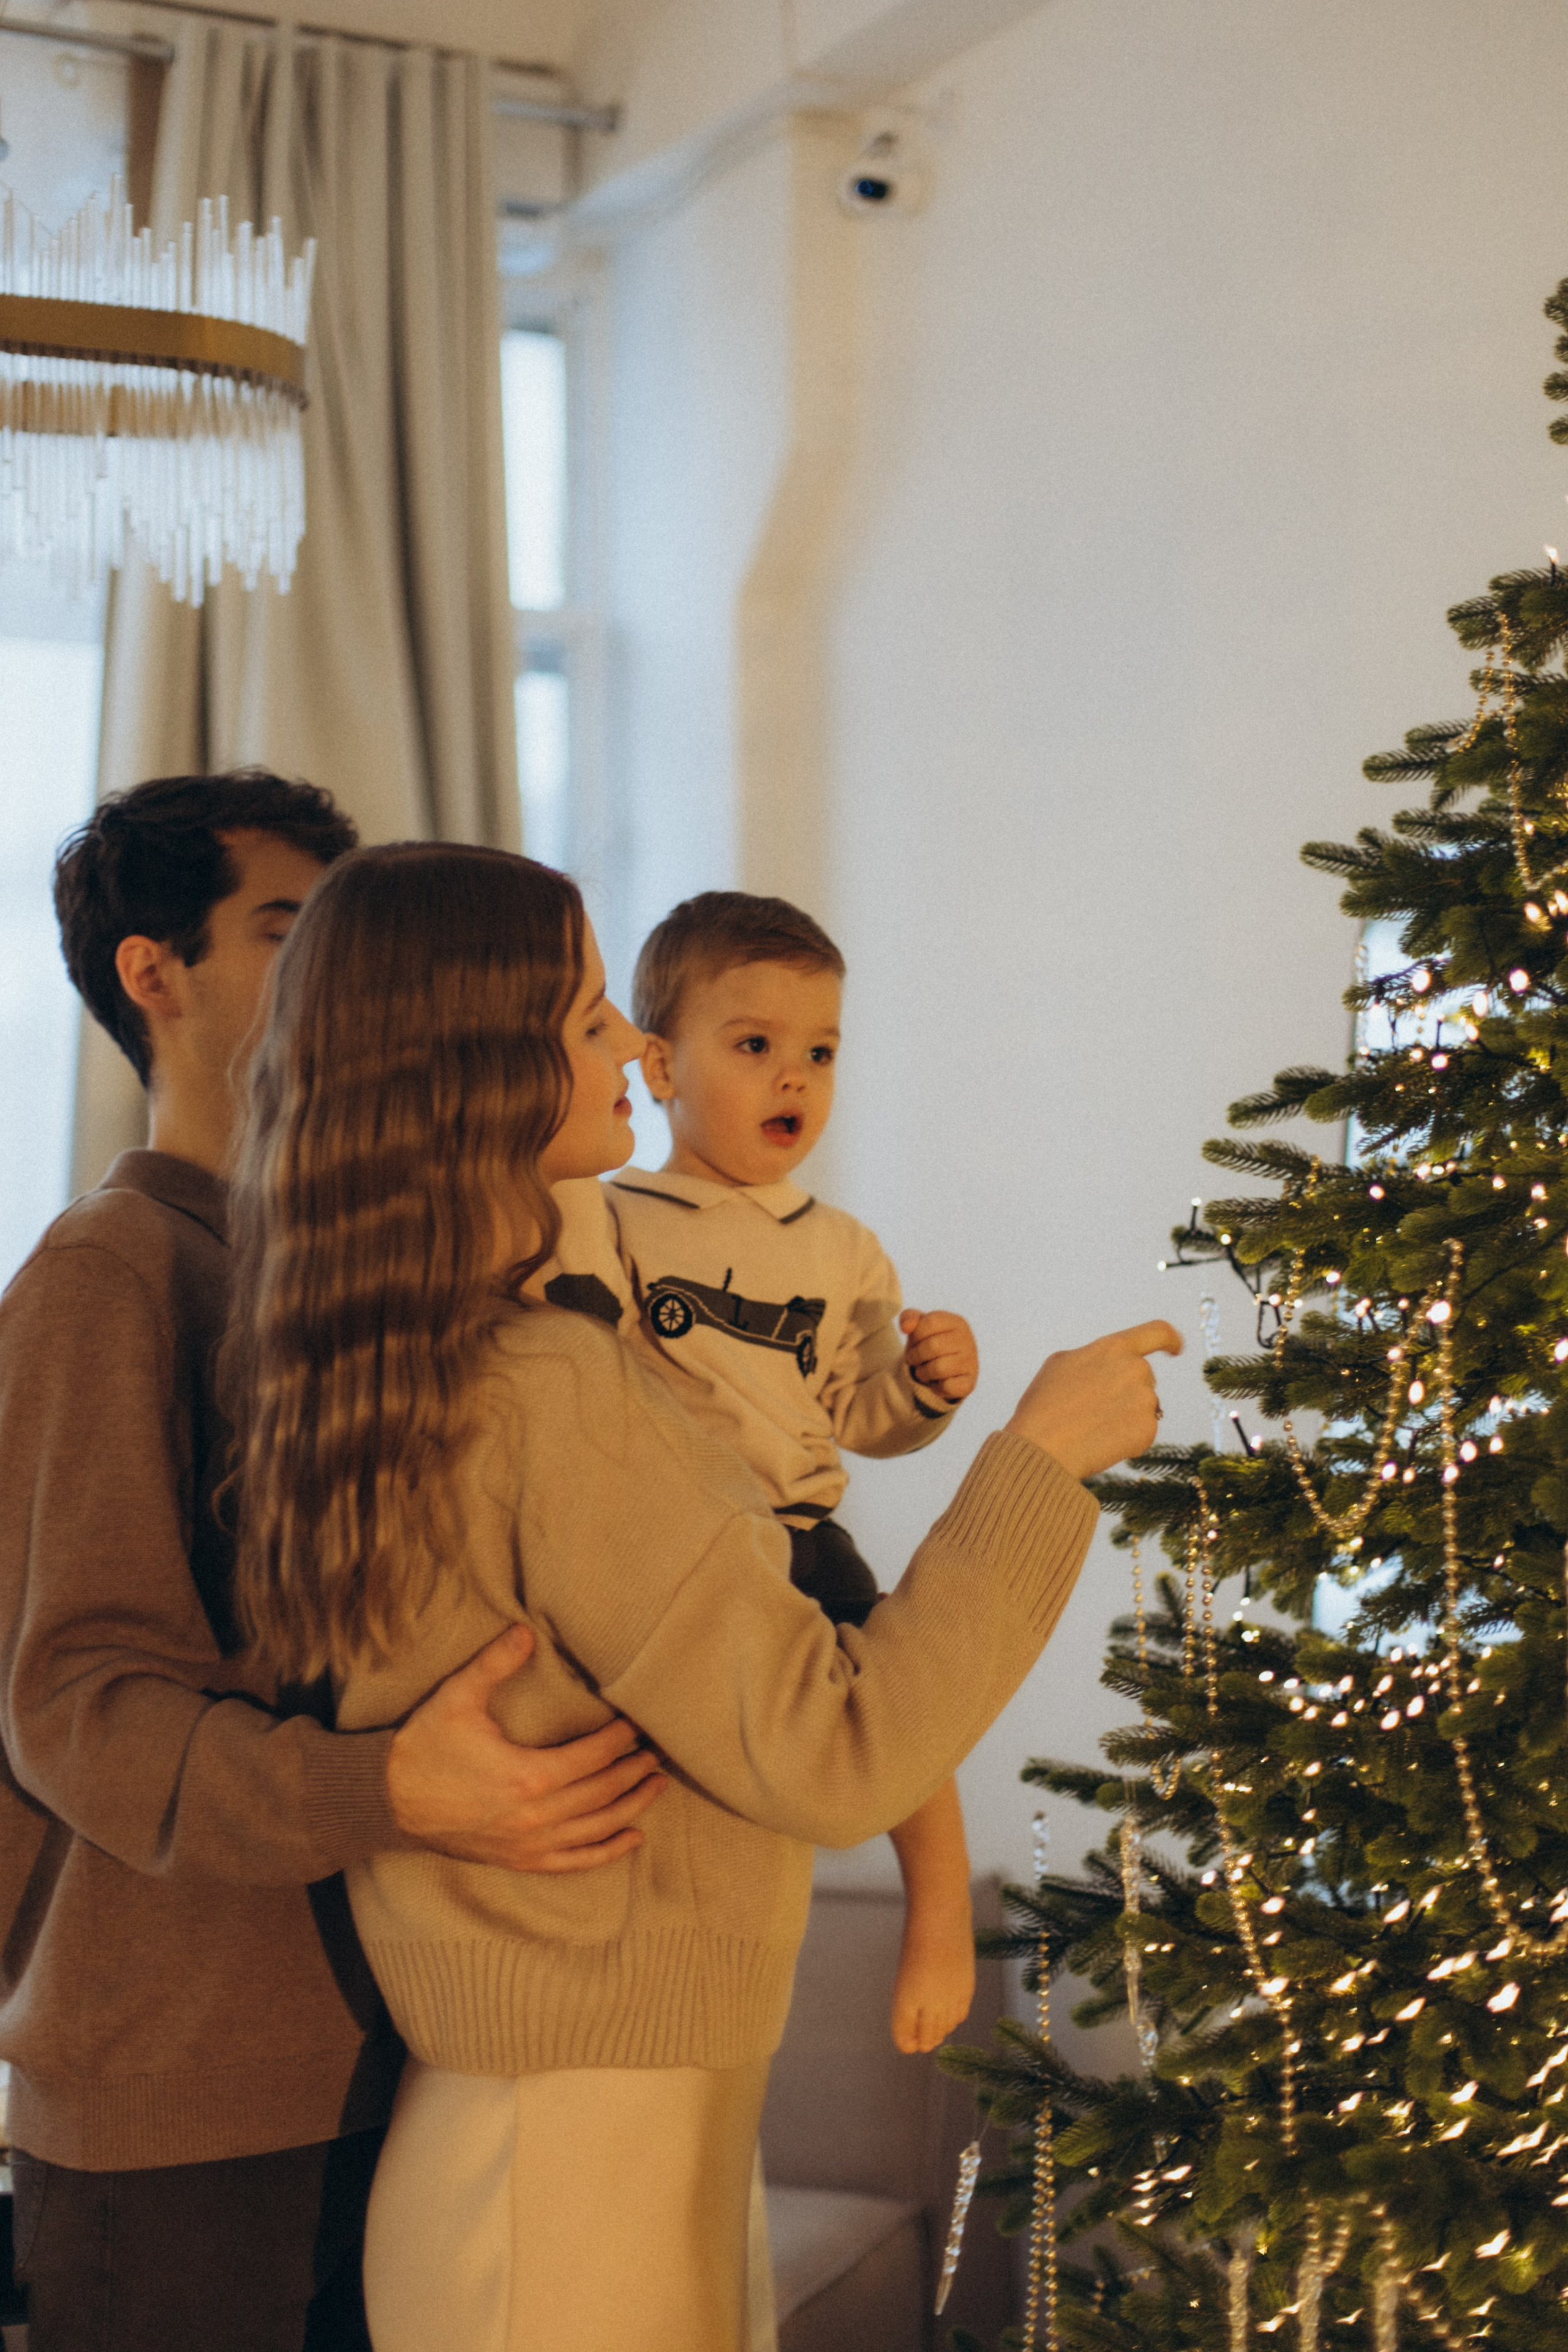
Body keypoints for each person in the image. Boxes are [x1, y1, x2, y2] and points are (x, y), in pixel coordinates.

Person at [222, 840, 1180, 2352]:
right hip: (569, 2160)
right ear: (479, 1060)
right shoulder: (541, 1383)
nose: (622, 1046)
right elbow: (836, 1745)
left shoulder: (450, 1351)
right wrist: (1041, 1459)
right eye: (591, 1010)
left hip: (596, 2133)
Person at [0, 774, 668, 2352]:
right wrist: (387, 1790)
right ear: (154, 977)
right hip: (184, 2110)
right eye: (284, 933)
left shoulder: (364, 1288)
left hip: (411, 2050)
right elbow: (79, 1709)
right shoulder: (115, 1276)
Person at [606, 889, 981, 2055]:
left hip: (802, 1529)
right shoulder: (609, 1218)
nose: (793, 1080)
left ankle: (942, 1910)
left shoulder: (842, 1248)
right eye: (755, 1046)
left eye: (818, 1052)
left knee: (901, 1705)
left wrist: (925, 1389)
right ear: (660, 1065)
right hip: (667, 1541)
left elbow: (859, 1413)